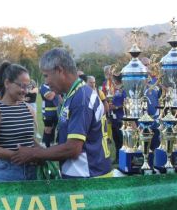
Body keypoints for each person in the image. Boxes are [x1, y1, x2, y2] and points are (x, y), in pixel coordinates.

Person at [11, 48, 112, 178]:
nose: (46, 82)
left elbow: (73, 148)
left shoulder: (81, 98)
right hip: (86, 174)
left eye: (46, 75)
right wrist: (41, 150)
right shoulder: (76, 94)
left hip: (88, 179)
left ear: (59, 70)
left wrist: (33, 154)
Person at [0, 61, 39, 182]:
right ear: (7, 83)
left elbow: (30, 140)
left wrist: (41, 153)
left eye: (28, 86)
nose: (25, 91)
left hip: (32, 173)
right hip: (7, 174)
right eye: (21, 86)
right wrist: (23, 156)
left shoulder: (29, 109)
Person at [141, 57, 161, 151]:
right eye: (144, 65)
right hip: (142, 120)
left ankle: (156, 164)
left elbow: (162, 98)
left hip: (156, 119)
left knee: (156, 145)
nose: (146, 67)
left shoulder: (157, 81)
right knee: (144, 147)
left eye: (148, 64)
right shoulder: (138, 81)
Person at [109, 74, 126, 163]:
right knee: (115, 139)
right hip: (114, 118)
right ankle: (117, 157)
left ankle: (122, 158)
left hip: (121, 118)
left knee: (121, 139)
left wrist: (116, 107)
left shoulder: (124, 89)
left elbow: (126, 103)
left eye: (113, 79)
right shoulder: (116, 90)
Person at [40, 81, 59, 147]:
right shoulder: (43, 87)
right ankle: (45, 145)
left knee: (54, 128)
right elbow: (50, 97)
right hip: (47, 112)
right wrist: (56, 90)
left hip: (56, 112)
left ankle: (51, 144)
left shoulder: (54, 86)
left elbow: (60, 98)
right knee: (48, 129)